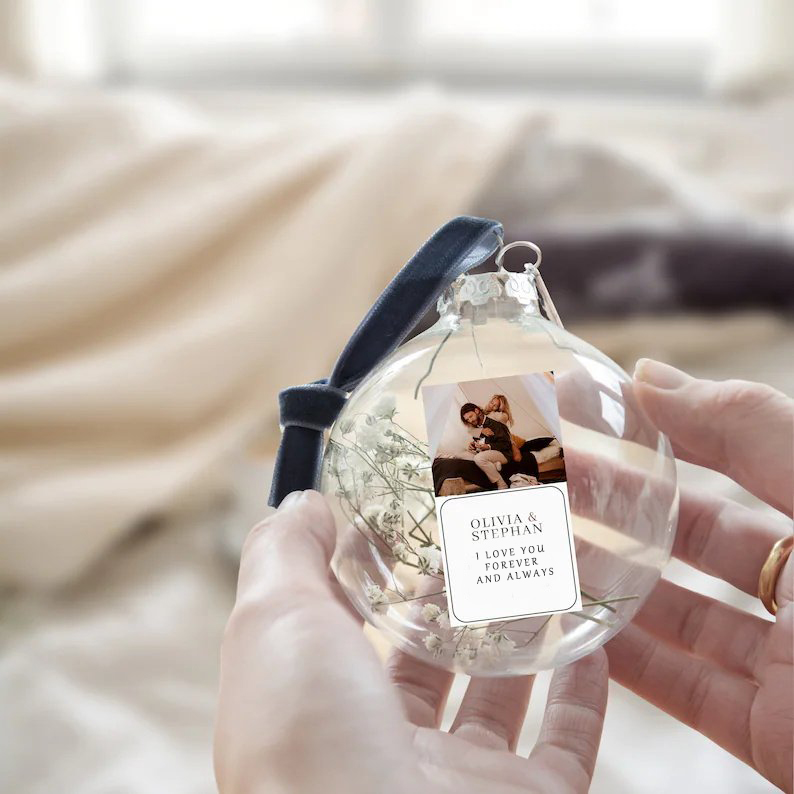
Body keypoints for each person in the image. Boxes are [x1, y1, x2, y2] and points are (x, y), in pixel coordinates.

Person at [214, 360, 793, 793]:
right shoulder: (464, 444)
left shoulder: (507, 431)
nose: (475, 423)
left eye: (479, 419)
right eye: (469, 420)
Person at [458, 402, 513, 489]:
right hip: (487, 453)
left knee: (479, 458)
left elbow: (506, 444)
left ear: (477, 411)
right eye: (467, 419)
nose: (470, 420)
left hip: (503, 453)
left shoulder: (494, 423)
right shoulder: (476, 427)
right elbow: (482, 441)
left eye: (471, 416)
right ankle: (493, 465)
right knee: (461, 455)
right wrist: (474, 445)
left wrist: (488, 446)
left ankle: (502, 484)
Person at [484, 393, 524, 462]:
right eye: (491, 403)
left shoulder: (503, 415)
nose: (491, 405)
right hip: (492, 437)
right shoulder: (485, 412)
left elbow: (499, 418)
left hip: (504, 437)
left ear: (500, 408)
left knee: (517, 458)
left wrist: (487, 413)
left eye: (495, 405)